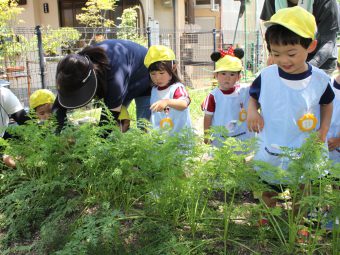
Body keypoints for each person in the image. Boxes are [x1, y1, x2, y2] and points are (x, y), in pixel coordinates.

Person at [247, 7, 334, 212]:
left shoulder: (320, 80)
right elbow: (253, 96)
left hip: (304, 143)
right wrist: (252, 111)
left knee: (303, 189)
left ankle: (298, 221)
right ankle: (268, 216)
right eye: (275, 53)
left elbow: (327, 103)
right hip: (273, 140)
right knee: (269, 185)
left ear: (311, 46)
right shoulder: (267, 76)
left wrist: (323, 130)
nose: (283, 60)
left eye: (291, 53)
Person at [53, 39, 151, 132]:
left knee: (143, 128)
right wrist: (56, 135)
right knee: (119, 125)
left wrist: (96, 146)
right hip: (126, 74)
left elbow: (108, 119)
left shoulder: (114, 76)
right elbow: (58, 109)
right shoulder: (74, 67)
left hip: (145, 76)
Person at [260, 0, 339, 75]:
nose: (284, 60)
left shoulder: (326, 2)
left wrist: (306, 70)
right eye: (277, 54)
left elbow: (328, 42)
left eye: (292, 54)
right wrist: (273, 54)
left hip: (320, 64)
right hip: (283, 68)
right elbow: (270, 32)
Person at [202, 48, 251, 147]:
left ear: (238, 77)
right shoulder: (213, 96)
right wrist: (206, 135)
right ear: (216, 75)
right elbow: (208, 117)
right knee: (221, 158)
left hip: (240, 135)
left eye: (232, 74)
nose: (227, 77)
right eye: (223, 73)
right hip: (220, 137)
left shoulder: (244, 91)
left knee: (240, 156)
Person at [144, 45, 191, 134]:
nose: (157, 78)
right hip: (161, 139)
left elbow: (184, 103)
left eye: (162, 73)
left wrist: (167, 102)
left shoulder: (177, 88)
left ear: (173, 68)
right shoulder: (154, 90)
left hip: (179, 138)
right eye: (153, 74)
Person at [0, 87, 30, 168]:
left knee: (18, 133)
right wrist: (3, 158)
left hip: (2, 136)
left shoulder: (4, 94)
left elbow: (27, 123)